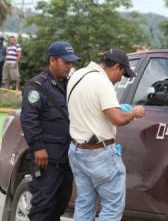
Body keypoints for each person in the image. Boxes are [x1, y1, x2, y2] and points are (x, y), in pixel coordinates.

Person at [67, 48, 145, 221]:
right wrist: (133, 112)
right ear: (116, 67)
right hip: (98, 154)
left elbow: (90, 110)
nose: (120, 80)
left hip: (77, 151)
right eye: (122, 74)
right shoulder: (102, 83)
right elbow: (117, 118)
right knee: (112, 206)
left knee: (85, 203)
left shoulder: (78, 75)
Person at [21, 40, 80, 221]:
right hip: (46, 157)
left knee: (60, 203)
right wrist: (38, 147)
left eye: (71, 63)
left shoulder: (69, 86)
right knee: (43, 205)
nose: (69, 67)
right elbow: (29, 119)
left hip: (65, 157)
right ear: (52, 60)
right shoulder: (37, 86)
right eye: (65, 62)